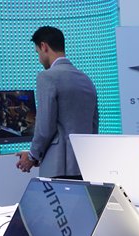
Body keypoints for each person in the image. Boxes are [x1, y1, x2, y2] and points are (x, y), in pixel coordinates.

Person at [15, 26, 98, 179]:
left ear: (44, 46)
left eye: (37, 53)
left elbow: (45, 127)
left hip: (58, 168)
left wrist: (32, 156)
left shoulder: (47, 77)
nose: (39, 58)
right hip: (84, 166)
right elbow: (94, 125)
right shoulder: (86, 80)